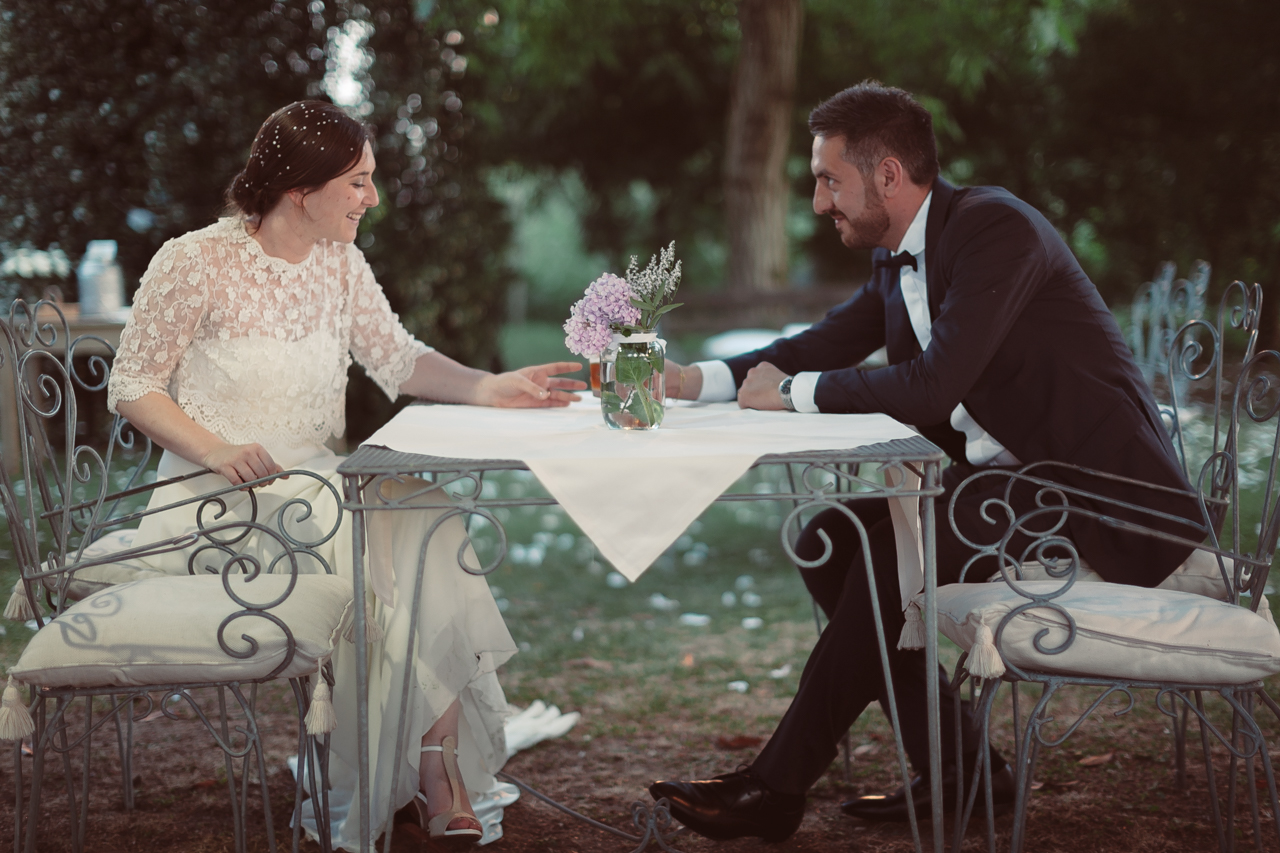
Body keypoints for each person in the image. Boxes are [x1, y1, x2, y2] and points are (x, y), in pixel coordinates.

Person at [649, 81, 1202, 841]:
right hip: (1011, 484)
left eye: (828, 180)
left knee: (887, 550)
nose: (818, 203)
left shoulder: (994, 230)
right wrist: (695, 382)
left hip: (1092, 492)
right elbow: (820, 343)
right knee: (834, 538)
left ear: (887, 176)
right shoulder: (900, 257)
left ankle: (775, 786)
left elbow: (933, 382)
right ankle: (965, 773)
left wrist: (795, 395)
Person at [106, 100, 584, 851]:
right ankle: (421, 775)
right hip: (216, 498)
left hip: (315, 487)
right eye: (358, 182)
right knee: (375, 544)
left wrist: (492, 385)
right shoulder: (193, 259)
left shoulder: (340, 261)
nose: (373, 197)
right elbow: (133, 385)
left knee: (428, 517)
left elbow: (397, 357)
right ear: (301, 189)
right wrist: (217, 449)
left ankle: (432, 771)